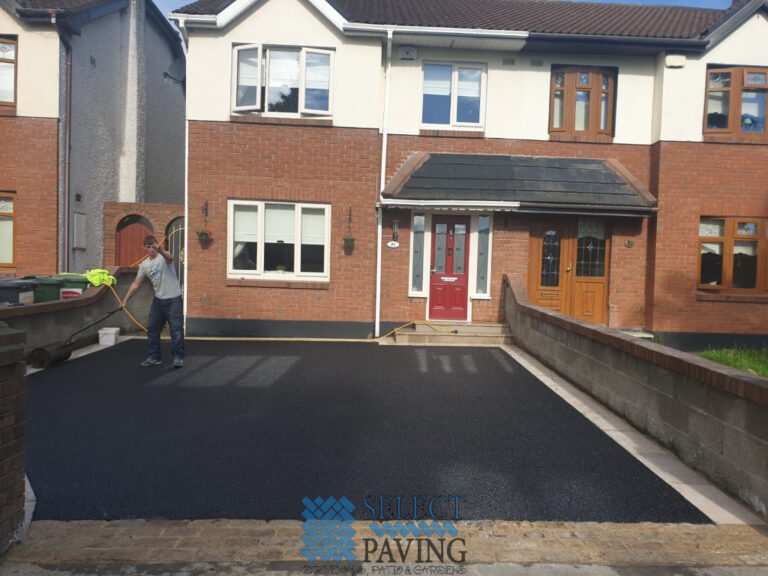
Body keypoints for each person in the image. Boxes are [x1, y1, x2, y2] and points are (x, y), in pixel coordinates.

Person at [122, 235, 185, 368]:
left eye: (153, 246)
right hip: (159, 300)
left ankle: (178, 357)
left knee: (176, 330)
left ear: (157, 245)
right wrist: (125, 301)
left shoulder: (164, 257)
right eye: (148, 247)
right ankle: (154, 357)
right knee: (152, 330)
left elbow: (171, 257)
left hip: (174, 298)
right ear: (144, 248)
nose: (151, 249)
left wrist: (161, 250)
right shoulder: (144, 265)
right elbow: (135, 285)